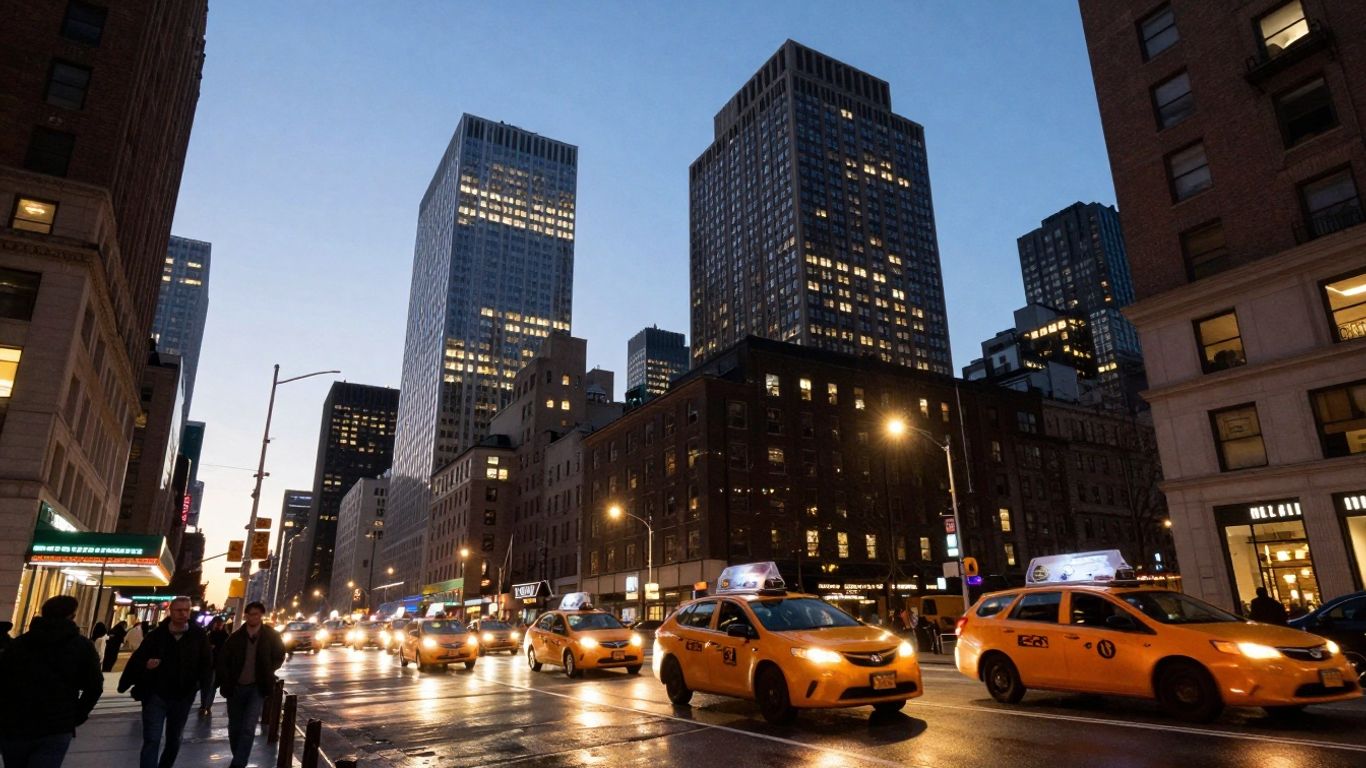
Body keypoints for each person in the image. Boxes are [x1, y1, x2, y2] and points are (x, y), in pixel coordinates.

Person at [0, 595, 103, 767]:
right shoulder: (81, 646)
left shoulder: (19, 644)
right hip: (56, 725)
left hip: (16, 724)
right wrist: (76, 716)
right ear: (72, 616)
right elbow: (94, 686)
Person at [118, 597, 212, 768]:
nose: (183, 614)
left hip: (182, 696)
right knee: (152, 739)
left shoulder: (198, 636)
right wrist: (146, 666)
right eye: (179, 610)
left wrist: (202, 689)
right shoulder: (157, 635)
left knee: (174, 739)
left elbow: (206, 664)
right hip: (156, 694)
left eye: (186, 610)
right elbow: (138, 659)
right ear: (171, 611)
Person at [217, 602, 285, 768]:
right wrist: (226, 679)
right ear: (246, 616)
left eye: (257, 614)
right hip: (235, 687)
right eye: (250, 614)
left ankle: (238, 763)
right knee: (235, 728)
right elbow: (223, 660)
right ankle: (238, 756)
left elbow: (279, 655)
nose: (253, 617)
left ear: (261, 615)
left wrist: (268, 670)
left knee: (248, 727)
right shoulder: (236, 637)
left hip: (257, 687)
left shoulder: (271, 635)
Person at [200, 617, 229, 717]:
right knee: (205, 686)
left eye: (220, 624)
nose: (218, 626)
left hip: (216, 665)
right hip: (206, 664)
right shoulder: (206, 634)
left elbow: (225, 651)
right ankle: (204, 705)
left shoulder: (224, 636)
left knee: (211, 686)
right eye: (217, 624)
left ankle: (206, 706)